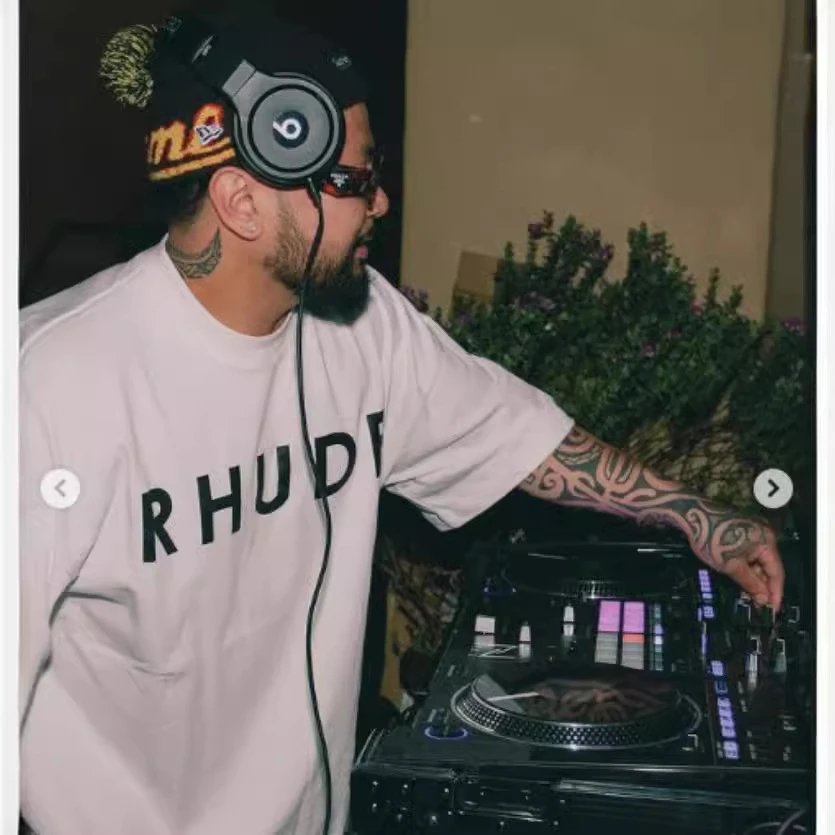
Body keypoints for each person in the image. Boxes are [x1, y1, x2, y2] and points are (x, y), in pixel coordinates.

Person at [19, 13, 785, 835]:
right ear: (242, 201)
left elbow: (517, 439)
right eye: (354, 181)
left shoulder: (364, 327)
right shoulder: (45, 387)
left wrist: (697, 517)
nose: (380, 201)